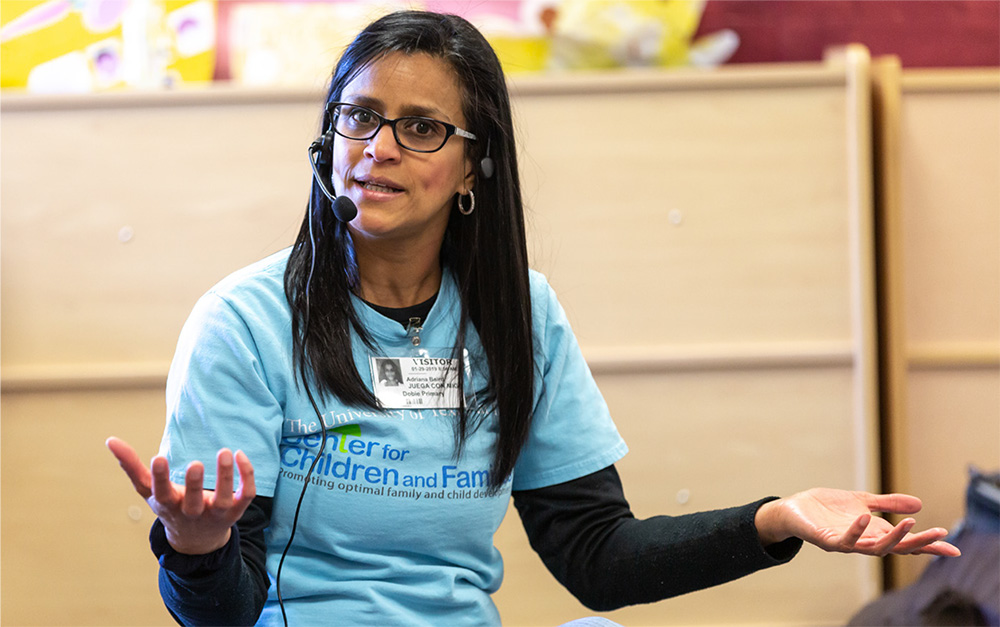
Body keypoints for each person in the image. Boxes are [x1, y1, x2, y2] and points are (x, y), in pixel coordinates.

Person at [106, 10, 960, 627]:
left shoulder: (521, 314)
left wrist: (776, 518)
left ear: (475, 165)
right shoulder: (244, 323)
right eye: (359, 117)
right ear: (328, 140)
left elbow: (595, 555)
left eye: (422, 128)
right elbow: (222, 612)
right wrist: (197, 545)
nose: (379, 147)